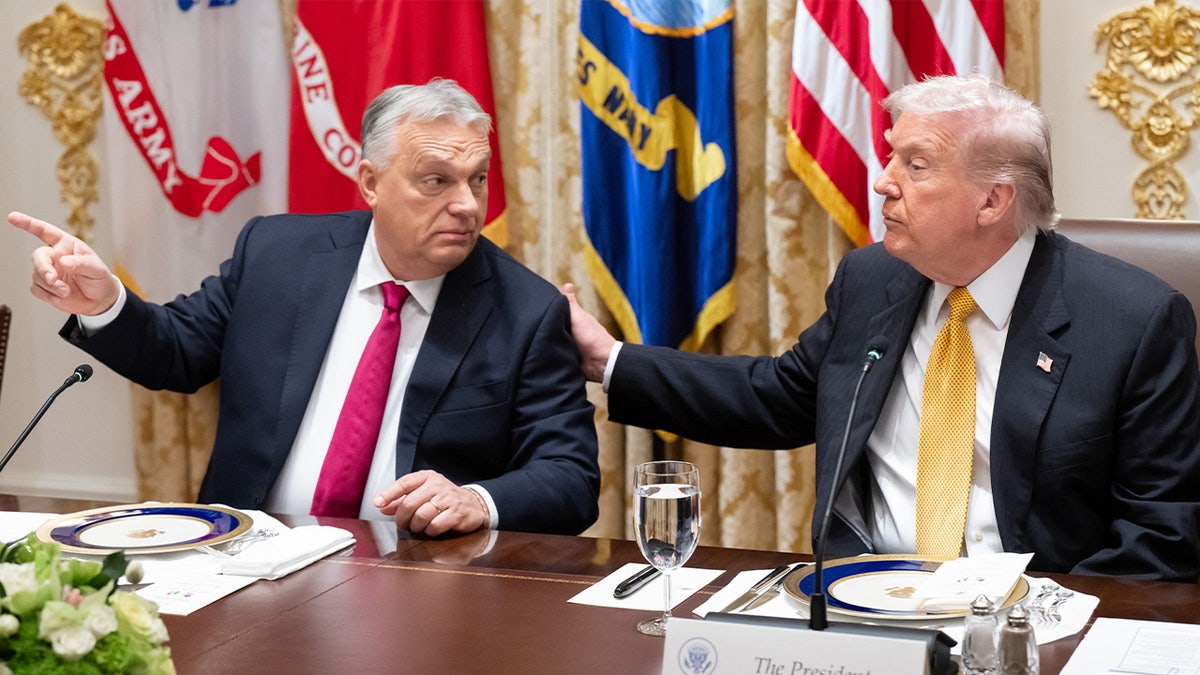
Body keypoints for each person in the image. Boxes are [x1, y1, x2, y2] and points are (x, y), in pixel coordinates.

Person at [563, 74, 1200, 581]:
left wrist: (1034, 627)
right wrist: (607, 358)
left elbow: (1161, 535)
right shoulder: (874, 279)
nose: (882, 183)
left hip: (1030, 620)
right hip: (864, 602)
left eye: (915, 166)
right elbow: (780, 398)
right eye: (891, 157)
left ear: (992, 201)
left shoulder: (1132, 321)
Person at [10, 78, 600, 537]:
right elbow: (177, 352)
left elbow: (570, 479)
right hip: (243, 557)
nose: (467, 205)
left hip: (413, 579)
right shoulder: (277, 253)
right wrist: (106, 301)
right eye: (437, 181)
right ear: (370, 183)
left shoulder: (526, 310)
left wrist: (477, 499)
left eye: (477, 179)